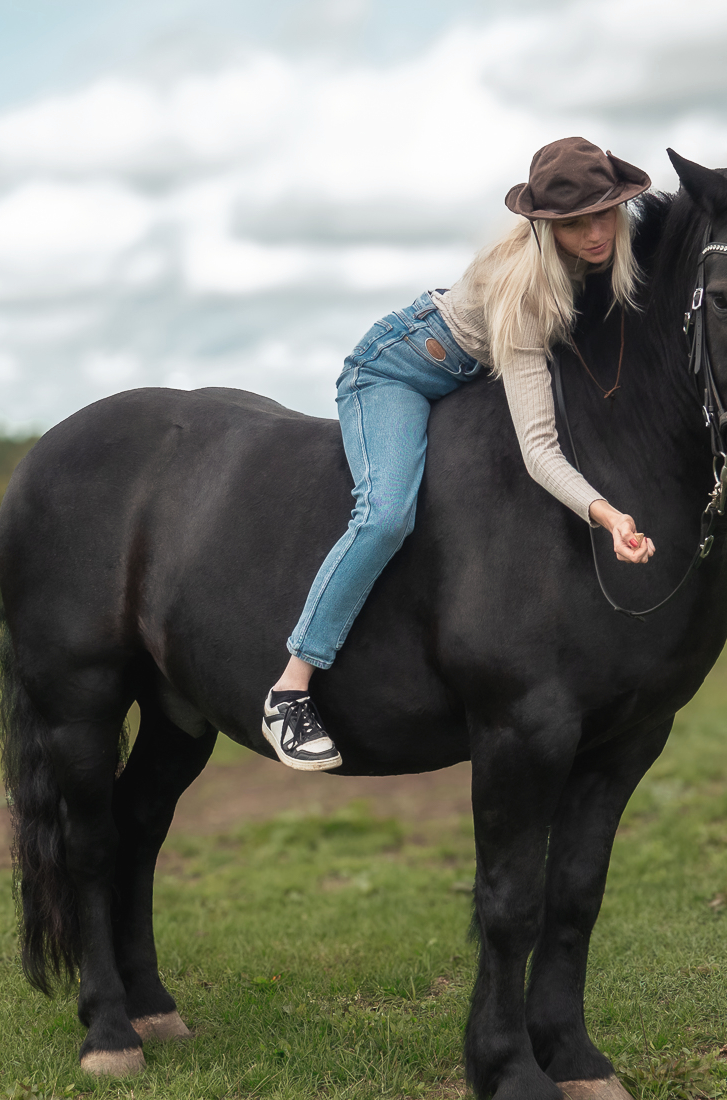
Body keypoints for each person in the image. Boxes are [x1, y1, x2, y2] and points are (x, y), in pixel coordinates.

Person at [263, 136, 659, 770]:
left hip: (470, 379)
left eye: (604, 213)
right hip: (397, 371)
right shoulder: (525, 293)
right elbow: (537, 448)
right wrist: (606, 515)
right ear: (544, 228)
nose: (594, 234)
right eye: (573, 223)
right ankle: (291, 688)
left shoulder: (614, 249)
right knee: (385, 515)